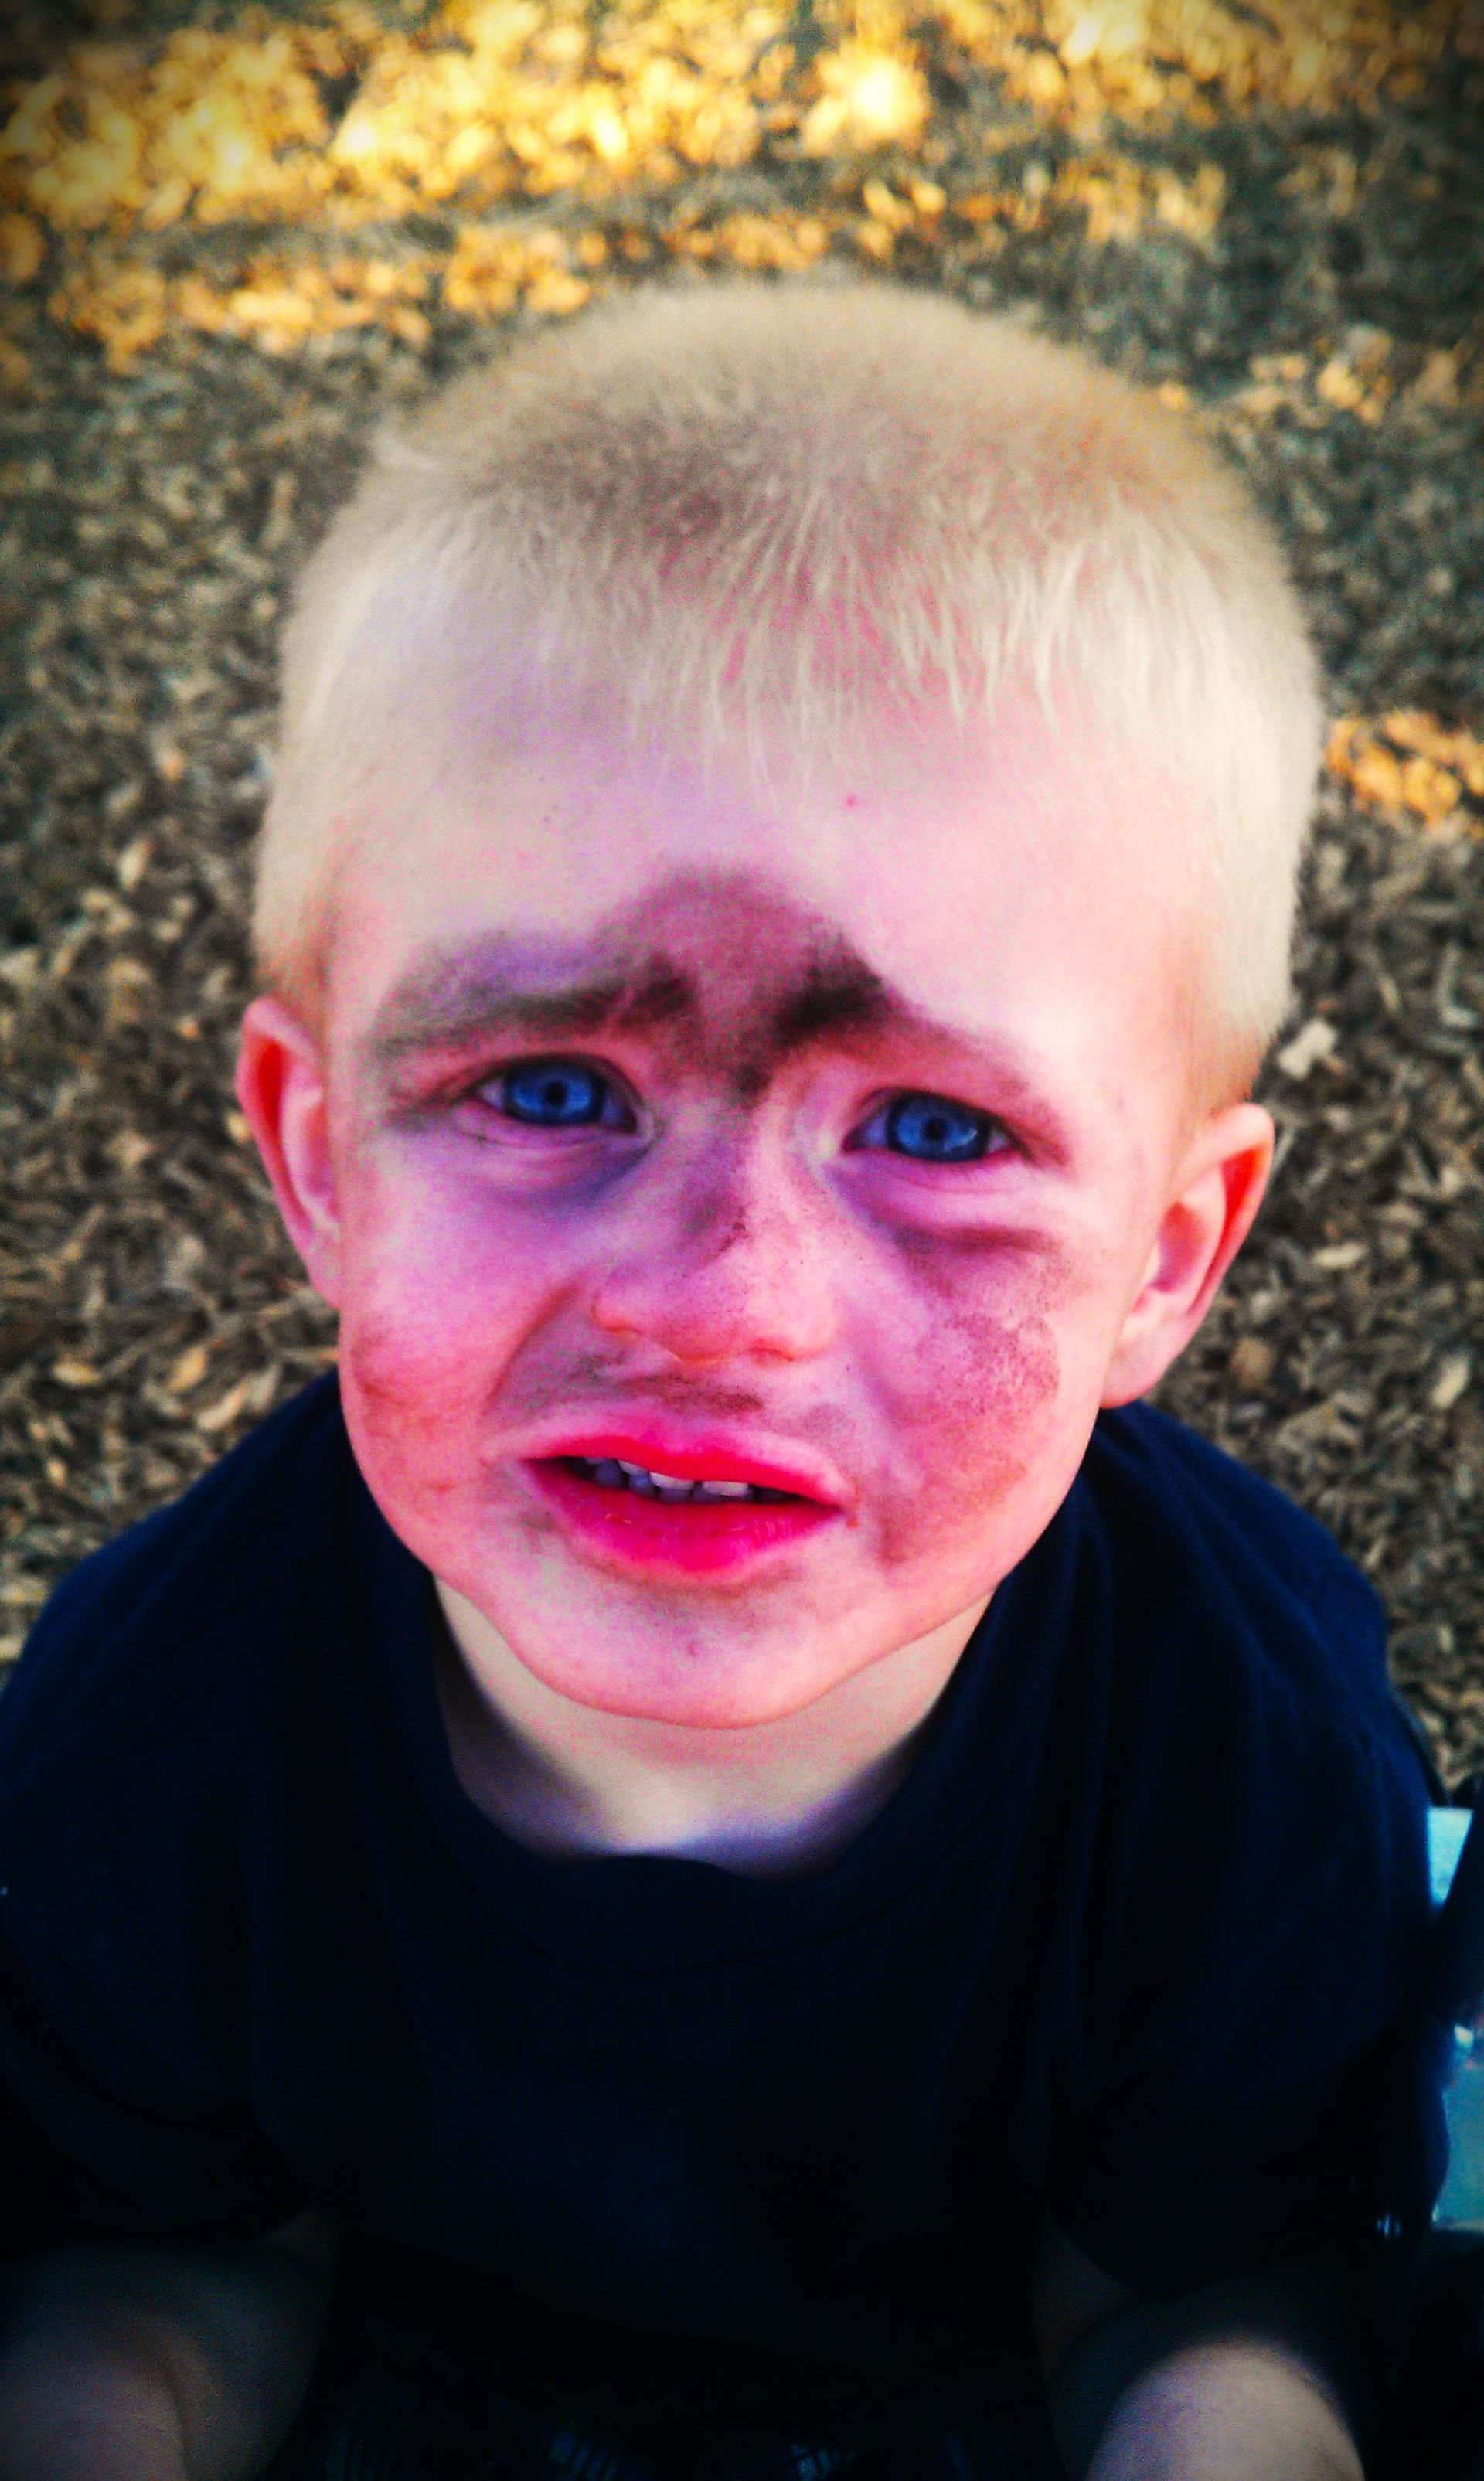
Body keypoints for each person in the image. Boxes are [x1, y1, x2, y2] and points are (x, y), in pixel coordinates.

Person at [0, 277, 1446, 2481]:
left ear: (1166, 1261)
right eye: (557, 1082)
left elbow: (1181, 2292)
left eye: (939, 1131)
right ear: (316, 1160)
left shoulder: (1232, 1746)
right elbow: (183, 2254)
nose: (726, 1308)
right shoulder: (153, 1734)